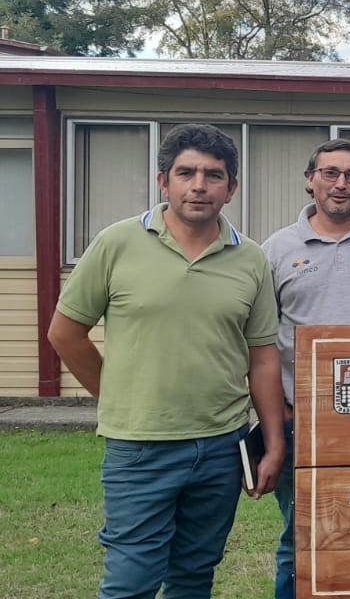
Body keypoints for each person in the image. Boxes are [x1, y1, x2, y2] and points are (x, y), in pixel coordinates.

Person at [47, 123, 284, 599]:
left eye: (213, 175)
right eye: (186, 173)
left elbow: (262, 358)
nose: (199, 185)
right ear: (163, 182)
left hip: (222, 445)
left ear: (231, 188)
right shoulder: (117, 243)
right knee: (131, 580)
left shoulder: (250, 258)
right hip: (141, 447)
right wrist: (115, 394)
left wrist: (273, 443)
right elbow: (65, 332)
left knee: (194, 575)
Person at [259, 139, 350, 599]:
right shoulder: (276, 250)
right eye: (330, 173)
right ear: (311, 180)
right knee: (301, 536)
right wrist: (277, 416)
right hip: (300, 420)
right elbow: (259, 342)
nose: (340, 183)